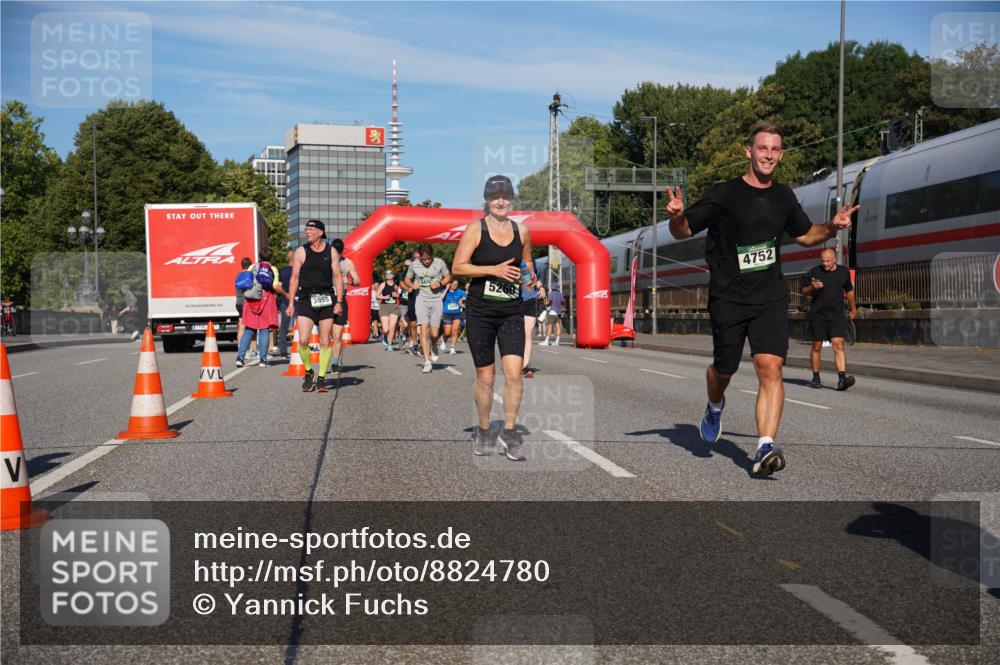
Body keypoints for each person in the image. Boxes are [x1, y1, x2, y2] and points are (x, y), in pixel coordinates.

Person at [664, 121, 856, 476]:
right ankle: (714, 404)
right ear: (748, 151)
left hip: (769, 296)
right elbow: (685, 230)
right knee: (724, 370)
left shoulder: (783, 196)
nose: (768, 154)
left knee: (771, 367)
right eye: (762, 148)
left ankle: (764, 445)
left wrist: (831, 227)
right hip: (728, 298)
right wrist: (676, 216)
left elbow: (805, 235)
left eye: (775, 149)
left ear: (780, 155)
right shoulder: (724, 194)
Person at [452, 175, 535, 461]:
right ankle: (485, 430)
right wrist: (493, 270)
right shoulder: (476, 229)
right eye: (495, 196)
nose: (501, 201)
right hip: (480, 312)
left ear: (511, 199)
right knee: (486, 378)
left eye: (506, 196)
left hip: (511, 310)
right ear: (486, 200)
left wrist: (531, 278)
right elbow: (458, 267)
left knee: (515, 374)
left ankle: (509, 433)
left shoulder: (522, 231)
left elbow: (527, 262)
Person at [285, 219, 345, 393]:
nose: (307, 231)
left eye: (311, 229)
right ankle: (309, 371)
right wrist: (291, 303)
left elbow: (338, 277)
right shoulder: (301, 252)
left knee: (325, 340)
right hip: (305, 298)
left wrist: (339, 301)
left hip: (326, 298)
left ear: (320, 232)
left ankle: (321, 378)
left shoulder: (331, 251)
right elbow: (294, 278)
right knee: (303, 340)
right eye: (306, 229)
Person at [803, 247, 857, 390]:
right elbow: (804, 291)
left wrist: (853, 308)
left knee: (838, 344)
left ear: (834, 260)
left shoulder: (843, 271)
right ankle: (816, 378)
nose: (825, 263)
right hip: (818, 315)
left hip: (836, 315)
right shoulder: (814, 272)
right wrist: (812, 287)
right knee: (817, 346)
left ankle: (841, 379)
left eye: (828, 261)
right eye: (823, 261)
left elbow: (849, 291)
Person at [404, 244, 452, 373]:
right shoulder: (414, 265)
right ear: (420, 257)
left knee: (435, 333)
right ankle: (427, 362)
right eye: (424, 259)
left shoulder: (440, 263)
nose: (426, 262)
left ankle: (434, 345)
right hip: (422, 299)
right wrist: (412, 285)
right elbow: (407, 279)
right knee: (424, 329)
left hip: (436, 300)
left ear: (432, 256)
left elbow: (449, 276)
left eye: (428, 259)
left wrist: (441, 283)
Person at [236, 249, 282, 367]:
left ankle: (240, 358)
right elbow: (275, 286)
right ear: (271, 258)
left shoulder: (252, 266)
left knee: (249, 330)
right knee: (264, 330)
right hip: (266, 301)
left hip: (251, 300)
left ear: (259, 256)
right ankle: (263, 359)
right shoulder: (273, 269)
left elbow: (246, 281)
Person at [329, 238, 358, 375]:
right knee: (325, 335)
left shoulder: (347, 262)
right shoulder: (325, 260)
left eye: (339, 253)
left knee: (337, 335)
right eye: (335, 252)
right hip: (326, 299)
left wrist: (350, 280)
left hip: (340, 299)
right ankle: (326, 360)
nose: (337, 255)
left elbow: (358, 280)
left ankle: (334, 362)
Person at [521, 279, 545, 378]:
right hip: (513, 300)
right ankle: (514, 361)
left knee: (528, 333)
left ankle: (525, 366)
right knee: (515, 333)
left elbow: (538, 280)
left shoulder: (533, 264)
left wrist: (541, 288)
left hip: (530, 299)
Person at [275, 250, 294, 359]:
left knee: (284, 327)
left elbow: (278, 287)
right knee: (303, 326)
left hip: (285, 302)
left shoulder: (282, 272)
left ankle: (283, 352)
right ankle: (306, 349)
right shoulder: (300, 271)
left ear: (287, 259)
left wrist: (286, 294)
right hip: (299, 301)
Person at [377, 270, 402, 350]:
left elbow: (400, 295)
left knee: (392, 326)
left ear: (393, 275)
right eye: (386, 274)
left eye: (390, 273)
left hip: (394, 307)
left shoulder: (396, 286)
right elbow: (377, 296)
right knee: (386, 329)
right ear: (385, 276)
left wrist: (397, 295)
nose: (388, 275)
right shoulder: (383, 285)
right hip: (384, 307)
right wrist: (384, 297)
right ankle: (384, 336)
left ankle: (390, 345)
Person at [441, 280, 467, 355]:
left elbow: (465, 298)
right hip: (447, 313)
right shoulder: (444, 291)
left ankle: (452, 348)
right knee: (447, 332)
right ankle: (443, 339)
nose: (455, 286)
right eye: (454, 284)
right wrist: (446, 289)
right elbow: (440, 298)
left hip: (457, 313)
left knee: (455, 330)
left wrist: (463, 301)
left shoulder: (460, 292)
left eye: (456, 284)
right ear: (449, 284)